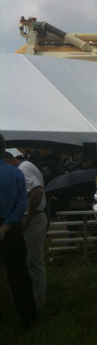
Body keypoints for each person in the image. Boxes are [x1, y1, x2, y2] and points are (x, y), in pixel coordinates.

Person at [0, 135, 37, 328]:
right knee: (19, 274)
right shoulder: (15, 173)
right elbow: (22, 202)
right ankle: (28, 318)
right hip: (12, 228)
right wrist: (6, 226)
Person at [5, 151, 48, 309]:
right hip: (35, 217)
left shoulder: (22, 169)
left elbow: (37, 191)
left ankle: (36, 300)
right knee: (34, 260)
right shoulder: (26, 166)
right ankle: (35, 298)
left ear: (9, 160)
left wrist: (29, 216)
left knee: (31, 261)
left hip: (33, 219)